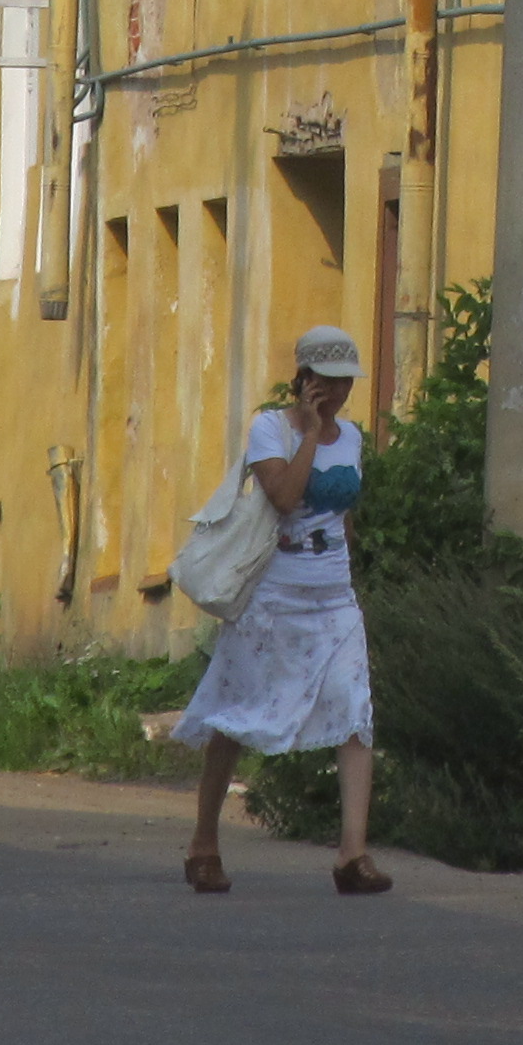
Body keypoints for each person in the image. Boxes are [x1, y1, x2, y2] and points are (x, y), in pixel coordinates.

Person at [171, 323, 388, 895]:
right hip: (274, 596)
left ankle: (351, 855)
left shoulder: (355, 437)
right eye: (329, 380)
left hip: (333, 595)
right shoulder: (271, 428)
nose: (340, 392)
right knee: (237, 714)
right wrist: (312, 434)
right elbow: (286, 497)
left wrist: (353, 571)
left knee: (355, 713)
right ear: (305, 378)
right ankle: (203, 843)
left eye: (346, 381)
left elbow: (343, 514)